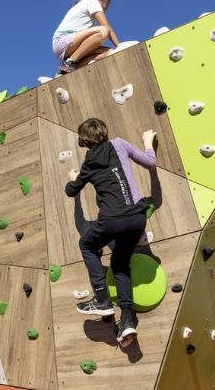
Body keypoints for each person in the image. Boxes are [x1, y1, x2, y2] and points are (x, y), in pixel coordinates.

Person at [65, 118, 156, 346]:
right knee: (120, 264)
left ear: (84, 141)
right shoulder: (120, 144)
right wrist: (147, 142)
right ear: (105, 132)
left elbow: (70, 191)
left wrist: (73, 179)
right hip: (137, 217)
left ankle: (102, 298)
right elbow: (150, 162)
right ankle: (126, 321)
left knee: (86, 244)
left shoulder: (88, 162)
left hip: (112, 220)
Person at [52, 0, 120, 74]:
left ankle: (65, 71)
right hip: (62, 41)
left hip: (71, 45)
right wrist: (120, 46)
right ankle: (70, 62)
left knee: (110, 52)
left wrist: (118, 50)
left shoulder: (87, 5)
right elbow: (107, 27)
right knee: (103, 31)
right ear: (106, 0)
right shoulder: (92, 2)